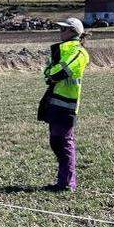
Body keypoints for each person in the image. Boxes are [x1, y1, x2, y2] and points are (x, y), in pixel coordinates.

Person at [37, 17, 89, 191]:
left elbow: (60, 71)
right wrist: (50, 72)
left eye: (64, 29)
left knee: (64, 142)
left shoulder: (80, 52)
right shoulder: (63, 50)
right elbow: (49, 71)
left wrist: (51, 73)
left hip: (67, 105)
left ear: (73, 32)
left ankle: (66, 183)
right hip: (55, 100)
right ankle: (64, 178)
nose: (60, 32)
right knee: (56, 141)